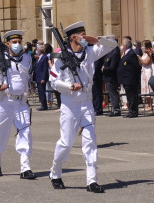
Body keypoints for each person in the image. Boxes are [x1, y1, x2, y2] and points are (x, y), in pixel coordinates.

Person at [48, 21, 116, 193]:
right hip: (70, 105)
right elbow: (53, 81)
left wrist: (93, 39)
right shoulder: (61, 57)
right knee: (66, 143)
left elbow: (112, 44)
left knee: (91, 142)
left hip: (86, 103)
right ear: (73, 38)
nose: (85, 37)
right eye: (82, 35)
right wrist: (69, 87)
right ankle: (55, 173)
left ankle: (92, 180)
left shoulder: (90, 52)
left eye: (85, 34)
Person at [0, 30, 35, 179]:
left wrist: (28, 89)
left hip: (21, 102)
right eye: (14, 42)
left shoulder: (26, 58)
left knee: (25, 133)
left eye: (19, 42)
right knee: (1, 133)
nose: (17, 45)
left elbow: (26, 77)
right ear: (7, 44)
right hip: (4, 101)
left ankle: (25, 168)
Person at [118, 36, 141, 118]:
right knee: (129, 97)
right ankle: (131, 111)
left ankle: (133, 112)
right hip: (126, 80)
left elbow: (136, 67)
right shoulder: (126, 53)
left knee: (132, 97)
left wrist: (134, 78)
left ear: (125, 46)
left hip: (131, 80)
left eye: (122, 44)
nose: (121, 46)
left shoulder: (131, 54)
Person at [101, 38, 121, 117]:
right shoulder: (110, 51)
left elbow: (113, 67)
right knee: (111, 93)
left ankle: (116, 110)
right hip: (108, 76)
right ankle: (114, 109)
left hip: (111, 76)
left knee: (113, 94)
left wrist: (104, 68)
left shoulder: (115, 52)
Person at [33, 43, 50, 111]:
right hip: (37, 77)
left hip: (41, 77)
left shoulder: (44, 57)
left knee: (42, 91)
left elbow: (45, 68)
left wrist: (43, 78)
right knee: (40, 92)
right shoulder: (39, 57)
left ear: (40, 50)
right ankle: (42, 104)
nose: (37, 51)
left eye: (37, 50)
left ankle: (44, 105)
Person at [139, 40, 154, 111]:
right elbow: (142, 63)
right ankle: (147, 104)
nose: (142, 47)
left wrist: (140, 59)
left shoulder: (148, 53)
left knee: (148, 88)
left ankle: (150, 104)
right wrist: (140, 60)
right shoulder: (144, 53)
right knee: (144, 87)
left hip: (148, 71)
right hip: (143, 71)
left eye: (143, 45)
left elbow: (147, 62)